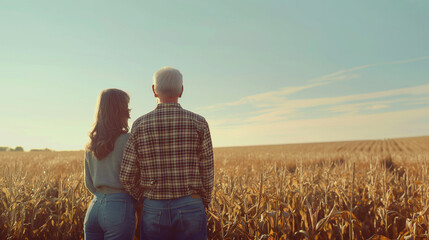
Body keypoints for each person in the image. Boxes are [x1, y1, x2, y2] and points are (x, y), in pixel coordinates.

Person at [120, 66, 214, 240]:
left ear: (154, 91)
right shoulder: (199, 123)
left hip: (153, 207)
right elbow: (207, 171)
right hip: (191, 204)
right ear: (181, 90)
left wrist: (145, 198)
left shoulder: (140, 125)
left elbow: (126, 175)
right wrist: (203, 202)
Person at [84, 88, 136, 240]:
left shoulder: (90, 144)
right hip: (119, 209)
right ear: (121, 110)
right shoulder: (128, 140)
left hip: (94, 207)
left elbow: (89, 183)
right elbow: (135, 179)